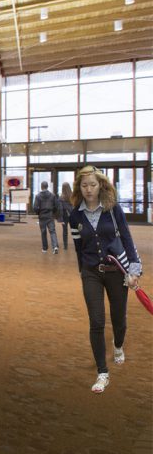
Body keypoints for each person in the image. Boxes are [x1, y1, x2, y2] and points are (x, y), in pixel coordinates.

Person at [68, 165, 142, 393]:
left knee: (119, 321)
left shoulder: (113, 209)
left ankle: (118, 345)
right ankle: (102, 372)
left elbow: (127, 239)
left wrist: (134, 270)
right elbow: (79, 247)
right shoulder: (75, 215)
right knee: (97, 321)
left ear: (100, 185)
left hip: (117, 271)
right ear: (79, 188)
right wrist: (83, 272)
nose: (89, 189)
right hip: (91, 272)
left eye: (92, 184)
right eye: (84, 185)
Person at [33, 181, 60, 253]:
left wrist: (38, 213)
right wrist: (53, 212)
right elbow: (56, 206)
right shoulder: (52, 195)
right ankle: (55, 247)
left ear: (41, 187)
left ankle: (45, 248)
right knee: (52, 231)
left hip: (42, 216)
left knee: (43, 232)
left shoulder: (38, 196)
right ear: (47, 186)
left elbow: (35, 207)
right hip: (50, 216)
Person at [59, 181, 72, 248]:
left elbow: (60, 209)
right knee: (75, 230)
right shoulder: (72, 196)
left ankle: (65, 245)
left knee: (65, 231)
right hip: (72, 215)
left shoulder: (61, 197)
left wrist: (61, 219)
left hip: (65, 216)